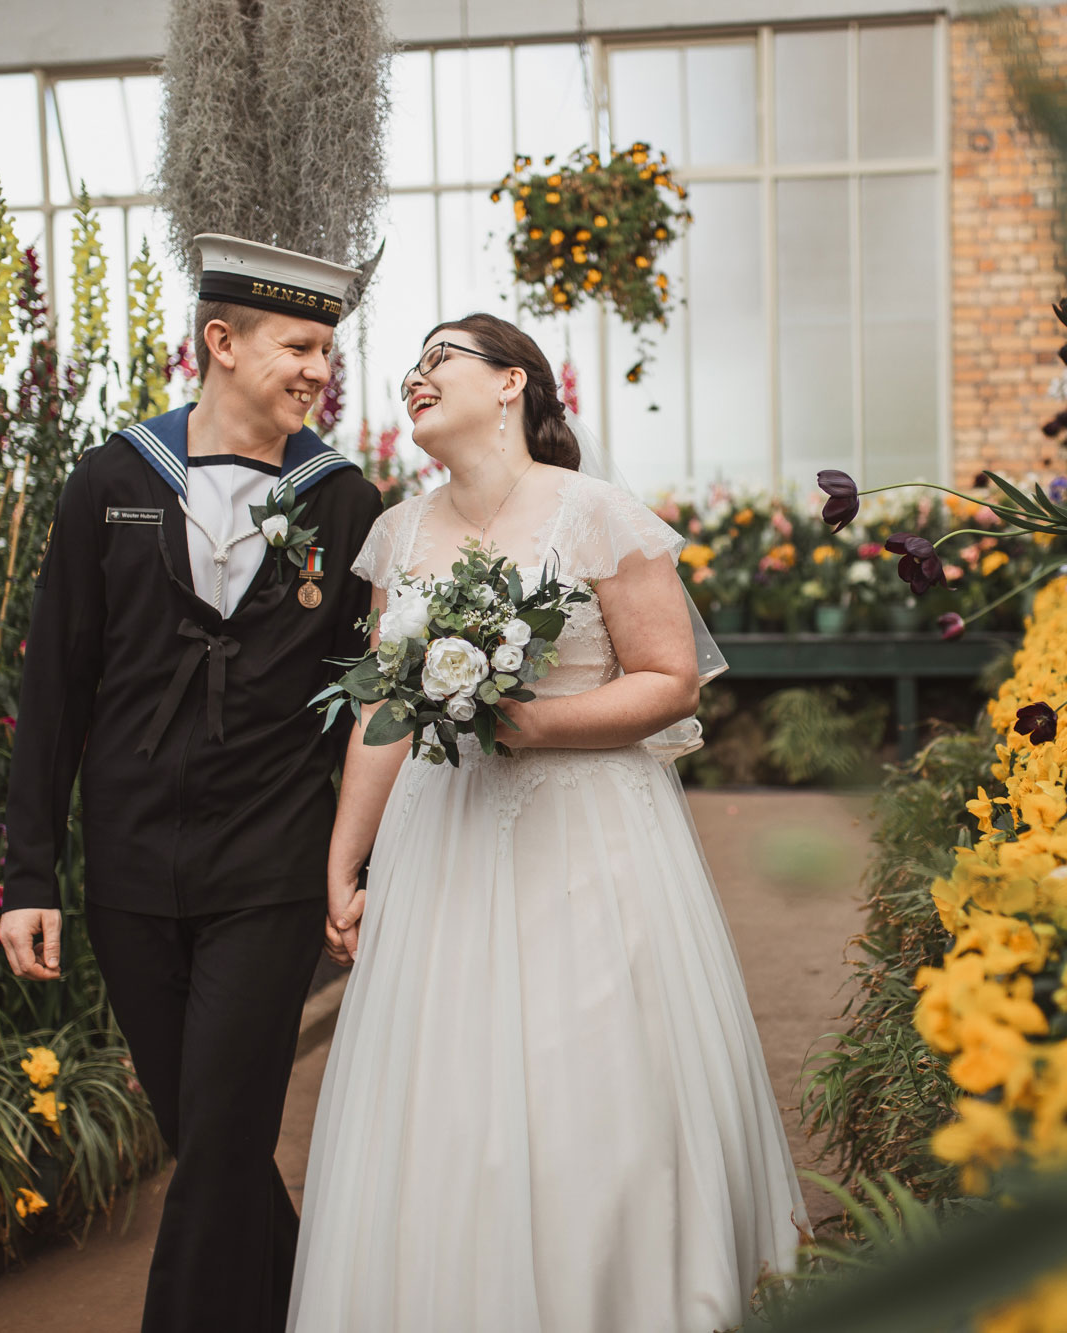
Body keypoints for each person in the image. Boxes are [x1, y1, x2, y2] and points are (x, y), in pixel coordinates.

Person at [287, 313, 806, 1333]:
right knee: (445, 1084)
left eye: (441, 358)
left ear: (513, 382)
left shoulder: (598, 514)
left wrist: (532, 723)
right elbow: (381, 717)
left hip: (590, 840)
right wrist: (345, 862)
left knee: (590, 1074)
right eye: (412, 367)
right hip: (440, 847)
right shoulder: (398, 533)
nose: (416, 378)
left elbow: (670, 681)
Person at [0, 234, 384, 1333]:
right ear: (220, 341)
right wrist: (32, 872)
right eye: (298, 346)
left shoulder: (340, 498)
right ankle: (298, 1304)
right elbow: (56, 688)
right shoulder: (113, 479)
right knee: (209, 1134)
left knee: (217, 1134)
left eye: (327, 351)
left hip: (268, 865)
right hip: (128, 869)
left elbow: (370, 699)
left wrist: (355, 860)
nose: (319, 371)